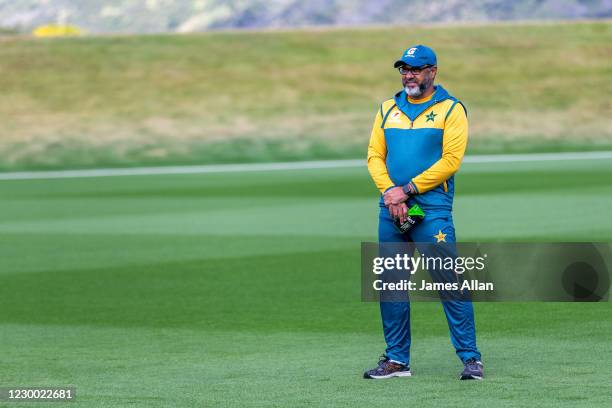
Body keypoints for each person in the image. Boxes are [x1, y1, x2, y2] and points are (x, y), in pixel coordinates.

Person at [364, 45, 483, 380]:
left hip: (430, 207)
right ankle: (397, 361)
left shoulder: (450, 109)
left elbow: (451, 161)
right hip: (391, 206)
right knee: (391, 284)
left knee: (449, 281)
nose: (408, 75)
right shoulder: (388, 108)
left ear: (433, 71)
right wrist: (390, 192)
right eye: (404, 69)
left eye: (415, 69)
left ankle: (471, 359)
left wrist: (408, 189)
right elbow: (374, 154)